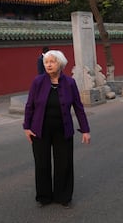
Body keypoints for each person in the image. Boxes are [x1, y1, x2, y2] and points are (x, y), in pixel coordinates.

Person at [23, 50, 91, 208]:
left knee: (64, 163)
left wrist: (85, 130)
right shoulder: (38, 82)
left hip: (63, 129)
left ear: (60, 63)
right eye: (46, 62)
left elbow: (78, 108)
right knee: (42, 163)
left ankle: (63, 196)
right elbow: (29, 106)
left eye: (52, 61)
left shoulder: (70, 83)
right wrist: (26, 127)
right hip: (40, 130)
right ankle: (44, 196)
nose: (48, 65)